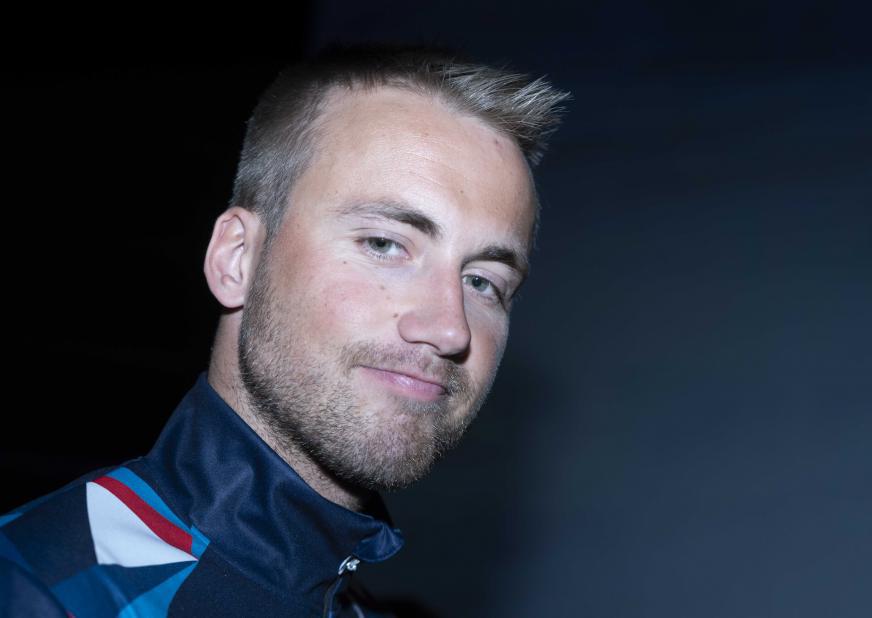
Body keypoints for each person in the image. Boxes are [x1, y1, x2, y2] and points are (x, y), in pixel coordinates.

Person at [0, 45, 568, 617]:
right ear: (238, 260)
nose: (449, 329)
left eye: (482, 282)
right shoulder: (35, 589)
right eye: (384, 244)